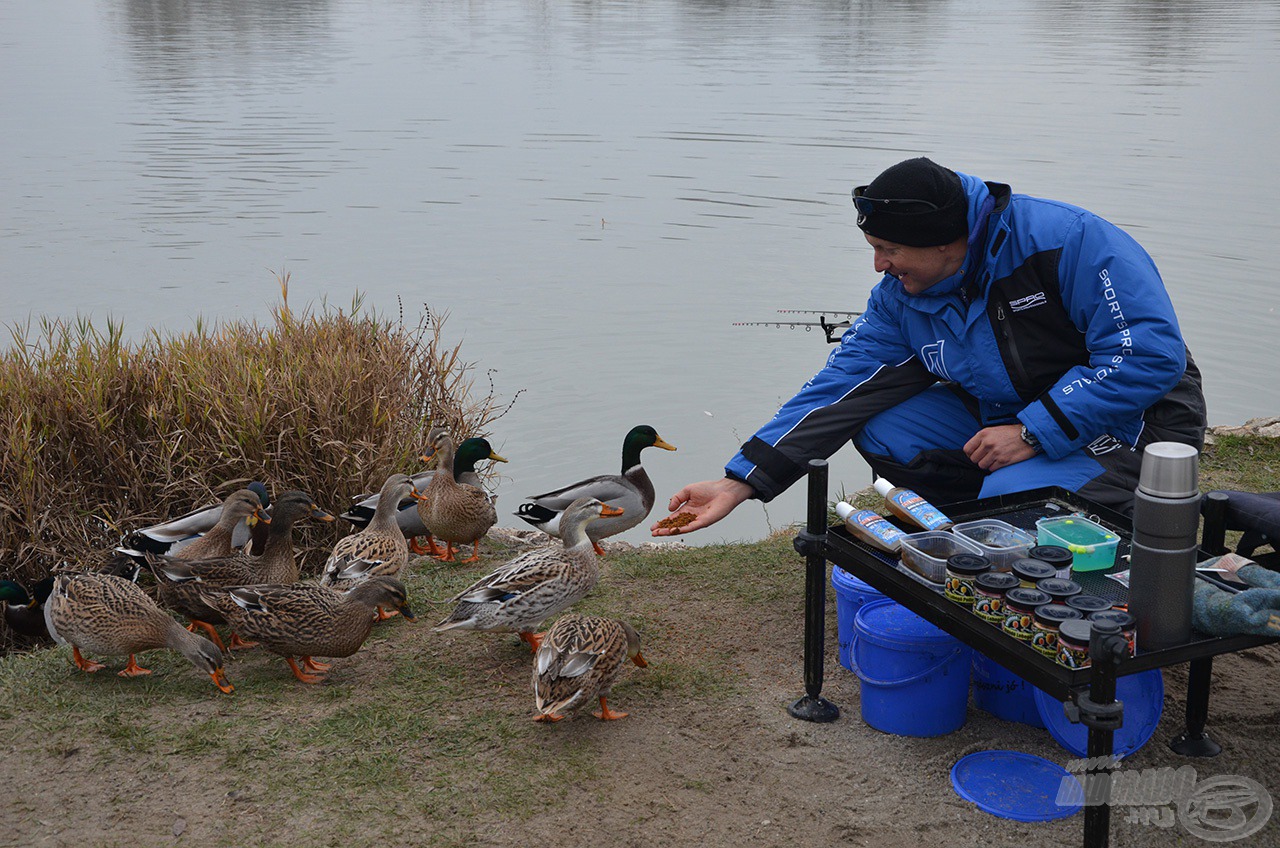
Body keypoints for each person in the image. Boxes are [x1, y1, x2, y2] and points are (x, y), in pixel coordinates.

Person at [651, 157, 1207, 536]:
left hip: (1134, 425)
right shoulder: (901, 295)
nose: (878, 265)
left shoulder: (1071, 242)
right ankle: (977, 526)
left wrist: (1035, 431)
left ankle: (1111, 518)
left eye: (889, 248)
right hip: (1008, 415)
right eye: (872, 246)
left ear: (949, 241)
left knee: (1015, 493)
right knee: (880, 424)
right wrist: (742, 480)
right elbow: (841, 385)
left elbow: (1149, 354)